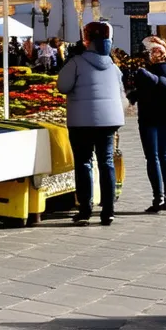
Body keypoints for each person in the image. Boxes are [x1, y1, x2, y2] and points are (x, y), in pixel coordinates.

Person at [57, 22, 124, 226]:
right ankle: (109, 210)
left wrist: (70, 61)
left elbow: (62, 85)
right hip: (109, 121)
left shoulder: (76, 62)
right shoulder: (113, 66)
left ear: (87, 41)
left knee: (84, 162)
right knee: (106, 163)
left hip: (81, 122)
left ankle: (85, 209)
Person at [128, 36, 166, 212]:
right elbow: (147, 90)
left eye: (155, 50)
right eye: (150, 51)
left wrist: (147, 75)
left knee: (163, 155)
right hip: (149, 116)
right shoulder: (148, 68)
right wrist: (134, 94)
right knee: (152, 157)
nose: (152, 53)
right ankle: (157, 196)